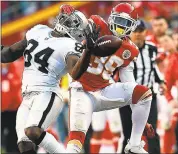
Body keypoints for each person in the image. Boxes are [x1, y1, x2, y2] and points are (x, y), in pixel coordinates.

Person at [61, 3, 153, 154]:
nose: (121, 26)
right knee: (75, 143)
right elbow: (80, 23)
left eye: (126, 23)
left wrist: (143, 121)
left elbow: (129, 84)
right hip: (82, 89)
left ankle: (135, 144)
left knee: (144, 94)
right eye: (119, 20)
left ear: (132, 26)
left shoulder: (130, 50)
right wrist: (70, 13)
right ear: (111, 17)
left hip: (105, 89)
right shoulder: (97, 24)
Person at [1, 8, 94, 154]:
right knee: (24, 145)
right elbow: (9, 54)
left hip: (47, 94)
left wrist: (87, 51)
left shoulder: (69, 44)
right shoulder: (39, 30)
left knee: (33, 131)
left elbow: (74, 72)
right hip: (26, 97)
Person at [119, 19, 167, 154]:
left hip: (149, 97)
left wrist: (161, 82)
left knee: (152, 133)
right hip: (128, 98)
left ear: (146, 32)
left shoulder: (152, 48)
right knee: (128, 134)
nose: (138, 34)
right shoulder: (123, 49)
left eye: (141, 31)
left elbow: (153, 68)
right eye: (135, 31)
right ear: (130, 33)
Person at [159, 34, 178, 153]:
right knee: (167, 125)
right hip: (166, 97)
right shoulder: (173, 60)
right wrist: (171, 100)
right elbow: (166, 85)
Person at [1, 63, 21, 153]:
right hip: (2, 109)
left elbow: (17, 86)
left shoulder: (14, 70)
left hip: (13, 109)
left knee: (12, 134)